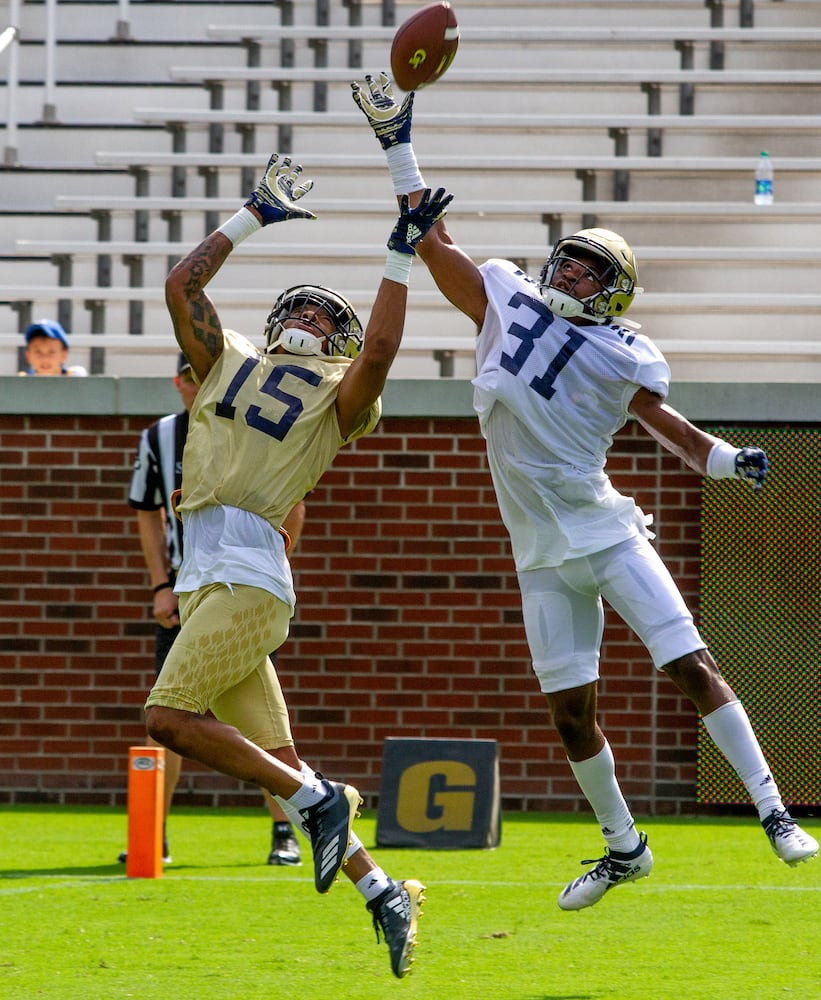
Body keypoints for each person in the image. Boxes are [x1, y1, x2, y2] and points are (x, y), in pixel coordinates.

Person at [352, 72, 819, 911]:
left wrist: (722, 460)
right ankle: (622, 848)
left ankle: (772, 810)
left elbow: (665, 423)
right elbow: (433, 239)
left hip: (603, 531)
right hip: (537, 551)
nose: (568, 270)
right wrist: (397, 146)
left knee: (690, 665)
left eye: (587, 266)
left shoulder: (626, 351)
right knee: (571, 715)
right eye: (567, 257)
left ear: (614, 291)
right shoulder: (504, 296)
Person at [143, 151, 451, 975]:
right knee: (280, 767)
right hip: (209, 570)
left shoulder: (336, 394)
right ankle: (383, 890)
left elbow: (381, 351)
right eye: (302, 308)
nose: (311, 319)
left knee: (167, 720)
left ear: (336, 341)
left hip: (246, 572)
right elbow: (182, 288)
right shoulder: (225, 358)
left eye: (326, 317)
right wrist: (253, 214)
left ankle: (323, 804)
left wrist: (398, 254)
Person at [120, 351, 304, 867]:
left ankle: (284, 831)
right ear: (178, 383)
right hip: (187, 591)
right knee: (171, 712)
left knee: (248, 724)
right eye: (189, 377)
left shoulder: (253, 427)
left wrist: (266, 567)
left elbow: (294, 503)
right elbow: (148, 512)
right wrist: (161, 583)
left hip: (239, 591)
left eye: (206, 375)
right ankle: (151, 834)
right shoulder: (160, 436)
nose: (196, 384)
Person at [19, 319, 88, 376]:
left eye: (51, 352)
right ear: (28, 355)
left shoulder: (74, 378)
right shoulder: (20, 381)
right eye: (38, 352)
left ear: (64, 354)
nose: (45, 359)